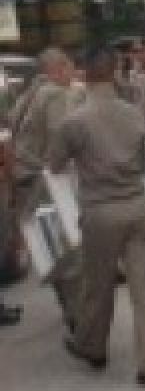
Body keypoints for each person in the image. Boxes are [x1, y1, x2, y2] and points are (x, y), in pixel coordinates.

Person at [47, 45, 145, 388]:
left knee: (98, 288)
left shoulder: (75, 121)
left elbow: (55, 164)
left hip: (100, 211)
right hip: (138, 206)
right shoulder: (135, 114)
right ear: (115, 72)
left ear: (84, 74)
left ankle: (93, 348)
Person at [11, 48, 82, 326]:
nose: (74, 73)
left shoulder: (30, 92)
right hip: (44, 180)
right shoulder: (53, 93)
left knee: (50, 244)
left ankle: (67, 302)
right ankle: (77, 314)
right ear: (58, 69)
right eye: (70, 67)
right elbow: (58, 138)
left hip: (26, 178)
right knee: (66, 247)